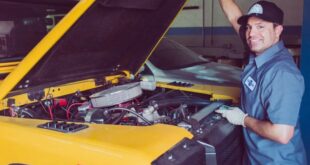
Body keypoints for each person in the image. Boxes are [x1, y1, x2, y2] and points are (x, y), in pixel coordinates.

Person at [215, 0, 307, 164]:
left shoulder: (281, 73)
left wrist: (243, 119)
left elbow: (282, 134)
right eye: (249, 27)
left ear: (277, 30)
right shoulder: (258, 50)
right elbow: (233, 15)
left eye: (260, 26)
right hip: (255, 158)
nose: (251, 33)